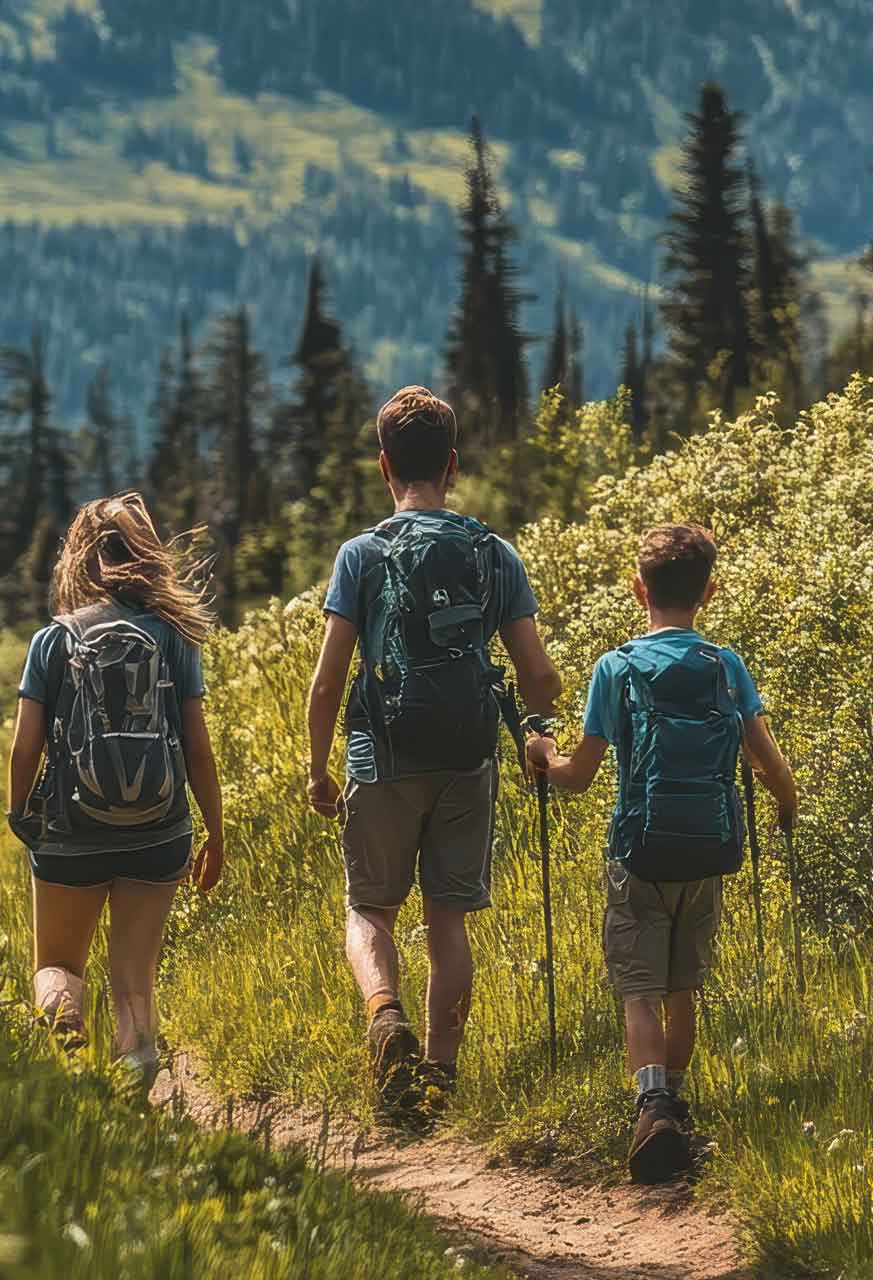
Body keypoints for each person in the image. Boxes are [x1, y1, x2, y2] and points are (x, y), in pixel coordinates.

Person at [305, 385, 562, 1124]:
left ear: (385, 466)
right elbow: (537, 672)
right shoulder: (492, 552)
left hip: (380, 756)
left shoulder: (362, 554)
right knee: (449, 922)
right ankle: (439, 1083)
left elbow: (328, 681)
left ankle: (386, 1017)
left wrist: (319, 768)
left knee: (370, 908)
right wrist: (536, 730)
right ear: (453, 464)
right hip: (468, 754)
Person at [526, 523, 798, 1184]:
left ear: (637, 588)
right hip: (708, 850)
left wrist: (543, 756)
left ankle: (651, 1104)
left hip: (637, 851)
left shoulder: (615, 668)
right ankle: (674, 1102)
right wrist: (786, 807)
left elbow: (581, 774)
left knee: (639, 992)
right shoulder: (725, 666)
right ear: (707, 591)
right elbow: (768, 762)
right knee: (682, 988)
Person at [6, 492, 225, 1093]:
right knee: (134, 984)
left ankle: (64, 1019)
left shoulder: (52, 642)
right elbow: (197, 746)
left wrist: (20, 812)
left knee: (56, 964)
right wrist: (215, 829)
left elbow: (26, 748)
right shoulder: (174, 637)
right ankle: (135, 1083)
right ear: (148, 557)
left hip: (69, 832)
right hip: (159, 830)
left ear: (78, 559)